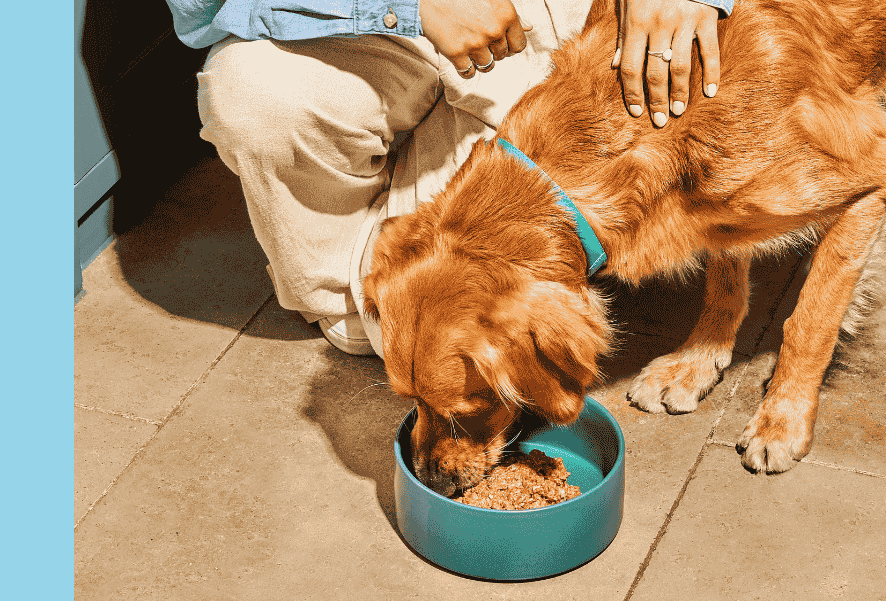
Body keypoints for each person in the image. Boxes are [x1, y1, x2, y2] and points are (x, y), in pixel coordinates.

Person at [170, 0, 731, 355]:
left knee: (453, 324)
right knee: (253, 96)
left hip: (563, 16)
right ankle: (358, 277)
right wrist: (406, 5)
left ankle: (433, 197)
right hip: (354, 25)